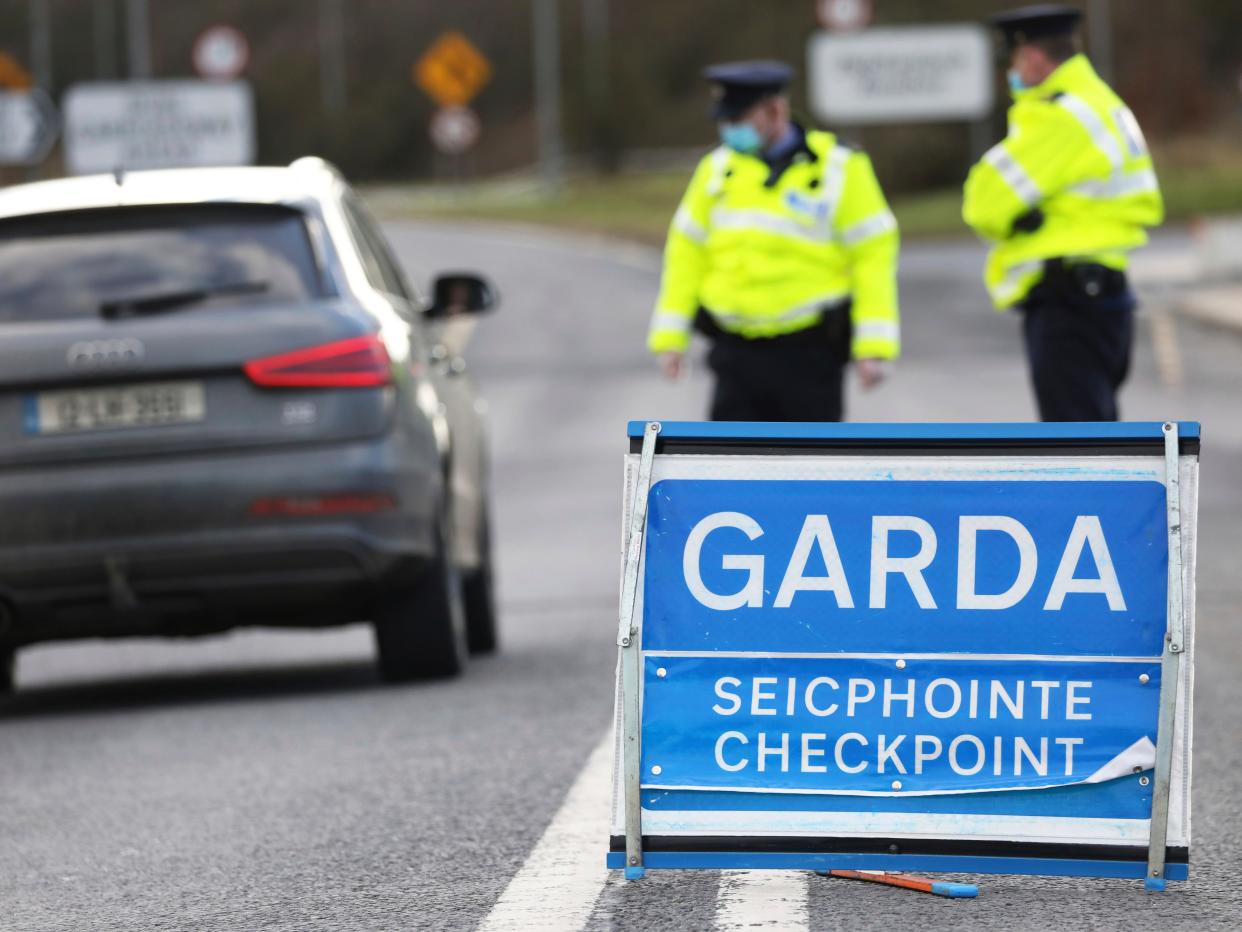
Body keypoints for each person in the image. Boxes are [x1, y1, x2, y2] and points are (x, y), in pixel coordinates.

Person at [648, 61, 900, 422]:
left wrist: (874, 348)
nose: (730, 130)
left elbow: (873, 257)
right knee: (730, 474)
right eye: (726, 121)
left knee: (809, 474)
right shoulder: (716, 171)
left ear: (776, 110)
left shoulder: (840, 168)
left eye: (740, 120)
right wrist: (670, 339)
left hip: (811, 355)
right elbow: (685, 253)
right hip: (734, 356)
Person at [964, 5, 1164, 422]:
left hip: (1067, 300)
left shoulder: (1058, 115)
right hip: (1105, 293)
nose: (1013, 71)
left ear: (1035, 59)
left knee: (1077, 446)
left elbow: (982, 204)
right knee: (1097, 432)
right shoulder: (1102, 102)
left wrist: (1018, 218)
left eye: (1015, 59)